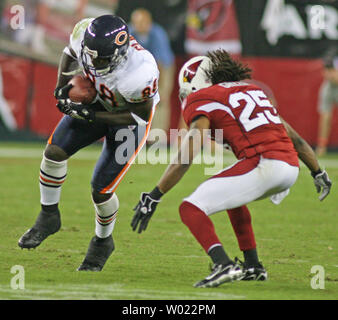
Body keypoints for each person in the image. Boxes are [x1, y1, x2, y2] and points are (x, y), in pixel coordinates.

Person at [131, 50, 332, 287]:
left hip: (264, 163)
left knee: (190, 208)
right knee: (232, 198)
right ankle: (253, 265)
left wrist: (155, 195)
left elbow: (187, 155)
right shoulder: (252, 90)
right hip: (289, 166)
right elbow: (293, 137)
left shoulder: (203, 98)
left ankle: (222, 264)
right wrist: (317, 171)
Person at [18, 15, 160, 272]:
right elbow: (70, 52)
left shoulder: (141, 71)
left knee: (100, 190)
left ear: (120, 53)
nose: (93, 62)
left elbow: (138, 114)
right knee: (54, 152)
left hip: (128, 120)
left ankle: (103, 242)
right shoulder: (84, 33)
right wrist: (61, 86)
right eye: (91, 55)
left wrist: (93, 116)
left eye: (101, 59)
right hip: (98, 103)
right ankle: (48, 216)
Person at [129, 8, 175, 133]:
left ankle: (157, 136)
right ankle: (135, 134)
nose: (140, 26)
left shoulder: (158, 34)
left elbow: (160, 64)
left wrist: (160, 88)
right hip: (138, 70)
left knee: (160, 101)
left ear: (149, 22)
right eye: (137, 23)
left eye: (143, 22)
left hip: (163, 68)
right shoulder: (128, 33)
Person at [315, 47, 338, 157]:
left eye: (331, 70)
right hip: (330, 88)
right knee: (325, 115)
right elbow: (325, 116)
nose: (328, 74)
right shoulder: (327, 87)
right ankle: (322, 146)